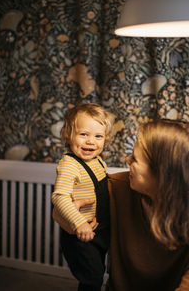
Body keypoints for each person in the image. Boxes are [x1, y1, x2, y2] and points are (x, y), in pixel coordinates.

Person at [55, 118, 189, 291]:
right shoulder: (117, 186)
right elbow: (61, 206)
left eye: (135, 159)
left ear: (163, 172)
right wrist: (69, 220)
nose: (127, 159)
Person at [51, 102, 113, 291]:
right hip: (81, 233)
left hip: (99, 230)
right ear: (68, 135)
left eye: (98, 136)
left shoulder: (99, 161)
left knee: (99, 271)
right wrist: (79, 223)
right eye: (83, 134)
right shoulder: (70, 164)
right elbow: (59, 197)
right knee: (92, 278)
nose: (91, 141)